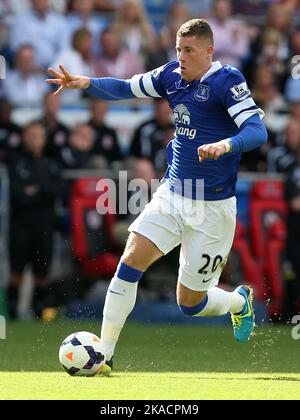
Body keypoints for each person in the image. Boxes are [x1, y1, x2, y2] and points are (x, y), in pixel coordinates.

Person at [47, 18, 267, 374]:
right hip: (175, 192)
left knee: (190, 303)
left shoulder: (229, 81)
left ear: (209, 51)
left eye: (189, 51)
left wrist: (226, 144)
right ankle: (106, 354)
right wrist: (85, 82)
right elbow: (125, 87)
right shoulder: (171, 76)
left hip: (213, 207)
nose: (181, 57)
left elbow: (258, 130)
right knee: (129, 262)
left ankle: (236, 302)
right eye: (178, 49)